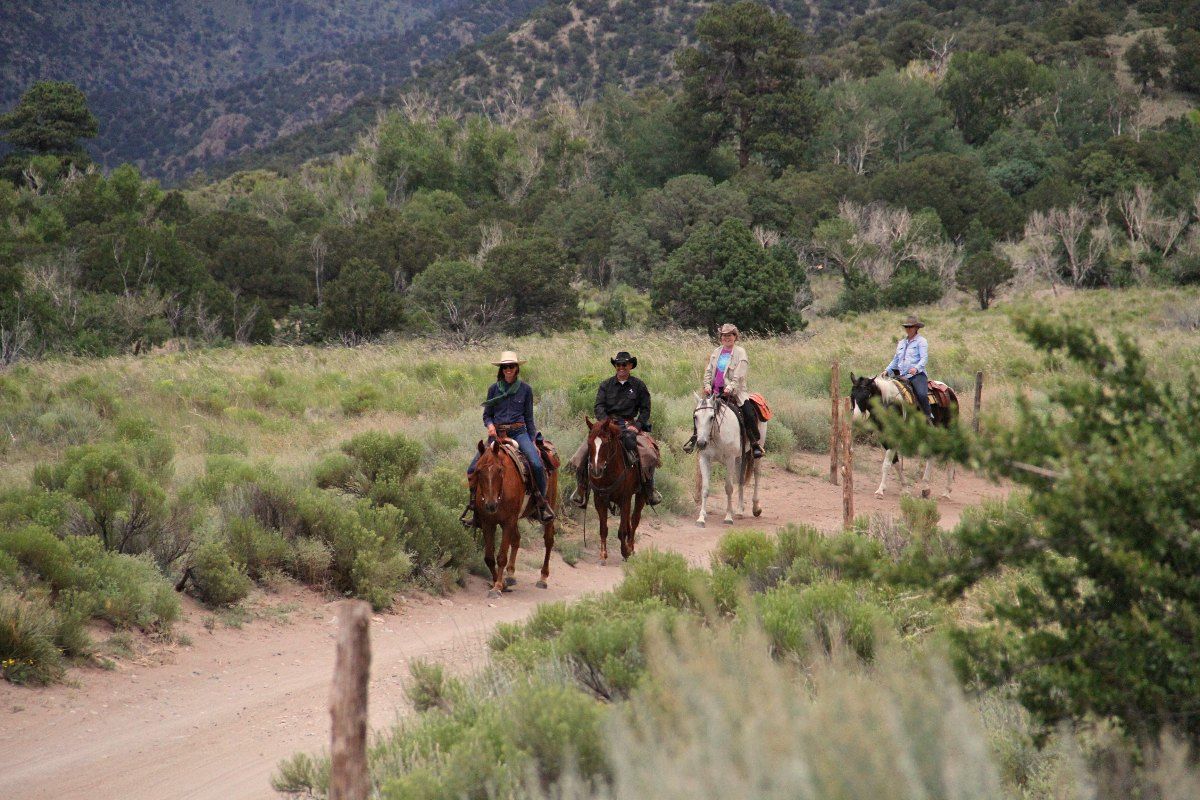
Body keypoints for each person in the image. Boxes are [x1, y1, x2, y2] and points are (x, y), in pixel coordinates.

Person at [462, 350, 554, 527]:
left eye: (511, 366)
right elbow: (487, 415)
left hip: (519, 432)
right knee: (472, 469)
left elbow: (529, 418)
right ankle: (475, 510)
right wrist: (489, 426)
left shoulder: (526, 390)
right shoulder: (493, 389)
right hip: (497, 434)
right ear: (501, 369)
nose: (508, 370)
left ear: (517, 368)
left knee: (536, 464)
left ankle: (541, 504)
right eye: (505, 367)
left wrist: (533, 439)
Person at [567, 350, 662, 508]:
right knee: (584, 450)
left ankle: (649, 488)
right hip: (607, 426)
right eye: (618, 364)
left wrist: (636, 425)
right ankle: (582, 489)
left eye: (624, 364)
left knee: (648, 452)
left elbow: (645, 409)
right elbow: (598, 406)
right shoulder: (606, 385)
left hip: (629, 425)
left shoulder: (638, 385)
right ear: (615, 366)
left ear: (630, 365)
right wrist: (605, 423)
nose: (621, 367)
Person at [684, 323, 762, 458]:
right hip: (714, 393)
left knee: (748, 413)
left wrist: (730, 387)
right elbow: (709, 370)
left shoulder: (740, 352)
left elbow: (740, 374)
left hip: (735, 393)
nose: (727, 338)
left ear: (735, 336)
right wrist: (707, 384)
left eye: (730, 335)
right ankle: (695, 438)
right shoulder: (716, 352)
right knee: (700, 413)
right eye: (724, 335)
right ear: (721, 337)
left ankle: (754, 443)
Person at [885, 315, 934, 422]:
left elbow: (924, 358)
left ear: (916, 328)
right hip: (901, 376)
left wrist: (916, 369)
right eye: (906, 327)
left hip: (917, 376)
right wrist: (886, 370)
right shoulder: (901, 343)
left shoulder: (921, 341)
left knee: (921, 394)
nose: (908, 329)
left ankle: (928, 417)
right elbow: (895, 360)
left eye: (910, 327)